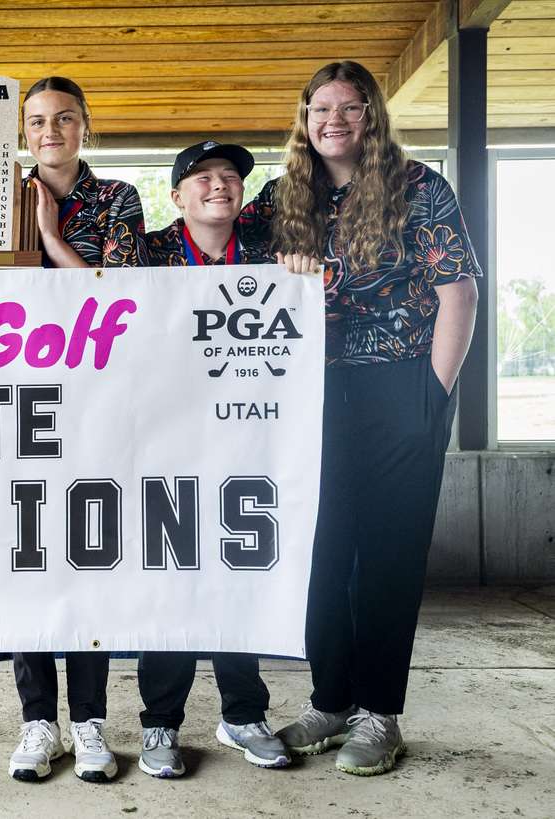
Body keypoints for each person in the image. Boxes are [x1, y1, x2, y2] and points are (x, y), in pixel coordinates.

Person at [239, 60, 480, 776]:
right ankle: (329, 700)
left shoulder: (418, 187)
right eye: (320, 108)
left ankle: (380, 712)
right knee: (320, 552)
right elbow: (219, 253)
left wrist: (430, 397)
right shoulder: (282, 196)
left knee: (387, 556)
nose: (332, 120)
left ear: (370, 116)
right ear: (304, 118)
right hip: (309, 396)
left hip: (402, 384)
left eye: (348, 107)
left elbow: (459, 292)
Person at [136, 141, 292, 779]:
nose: (219, 185)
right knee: (169, 584)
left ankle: (243, 715)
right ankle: (160, 725)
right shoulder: (145, 254)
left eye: (230, 176)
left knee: (239, 576)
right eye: (202, 178)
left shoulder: (270, 259)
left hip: (246, 444)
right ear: (176, 196)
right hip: (164, 444)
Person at [8, 76, 145, 785]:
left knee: (88, 557)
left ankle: (89, 719)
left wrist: (51, 238)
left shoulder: (119, 198)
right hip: (16, 403)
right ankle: (39, 721)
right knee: (27, 559)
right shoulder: (1, 191)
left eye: (64, 118)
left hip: (95, 400)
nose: (49, 130)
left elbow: (119, 293)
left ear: (85, 125)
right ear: (22, 129)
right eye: (36, 120)